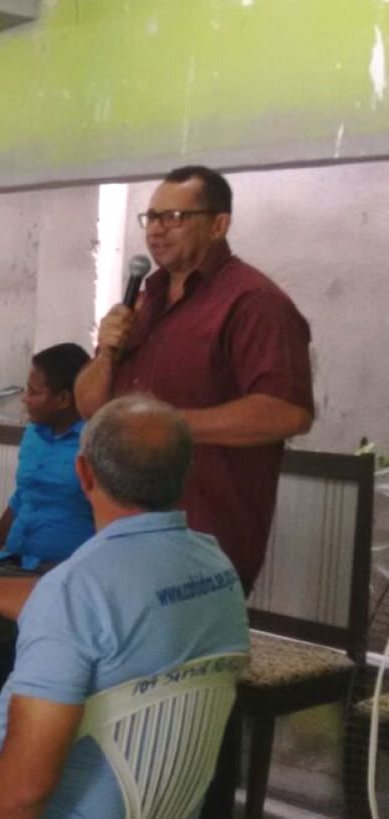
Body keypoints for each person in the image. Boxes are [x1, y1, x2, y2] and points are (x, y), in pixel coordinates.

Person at [0, 394, 250, 819]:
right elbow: (76, 607)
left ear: (83, 473)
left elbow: (23, 791)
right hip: (157, 804)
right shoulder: (214, 566)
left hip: (55, 798)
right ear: (185, 472)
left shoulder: (79, 587)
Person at [73, 164, 314, 593]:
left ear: (219, 224)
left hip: (204, 538)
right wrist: (107, 351)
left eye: (175, 218)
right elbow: (89, 407)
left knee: (182, 661)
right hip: (122, 534)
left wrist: (161, 429)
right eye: (152, 218)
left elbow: (287, 412)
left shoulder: (253, 302)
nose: (157, 231)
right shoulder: (143, 301)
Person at [0, 342, 94, 722]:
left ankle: (13, 720)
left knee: (19, 640)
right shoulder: (35, 434)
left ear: (65, 399)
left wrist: (76, 571)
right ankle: (5, 712)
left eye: (34, 393)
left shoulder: (94, 443)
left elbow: (109, 519)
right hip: (15, 561)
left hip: (61, 573)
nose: (25, 401)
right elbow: (22, 500)